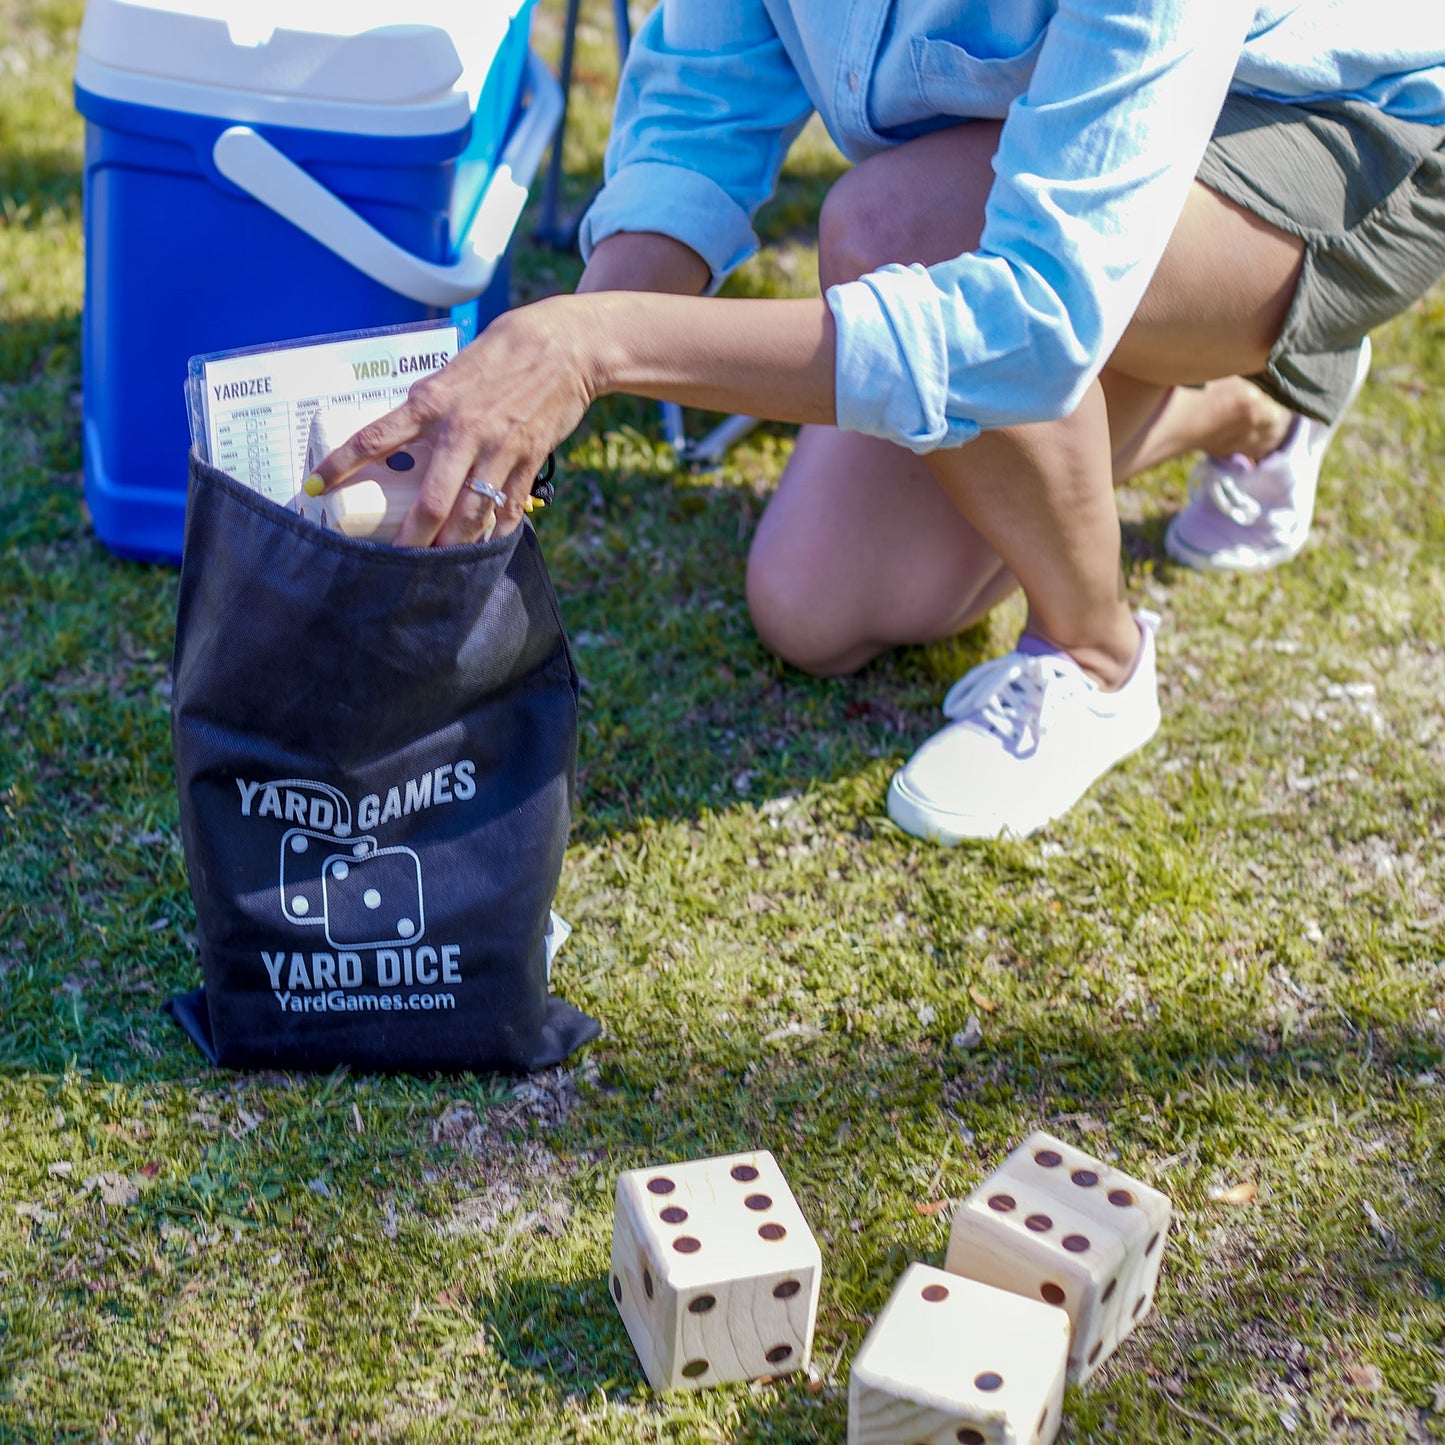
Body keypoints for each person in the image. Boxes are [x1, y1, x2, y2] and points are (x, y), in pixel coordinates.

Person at [310, 1, 1445, 843]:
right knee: (815, 602)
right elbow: (699, 121)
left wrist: (589, 348)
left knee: (894, 224)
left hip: (1320, 134)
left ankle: (1095, 657)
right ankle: (1238, 404)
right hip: (1020, 185)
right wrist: (545, 374)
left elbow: (1032, 319)